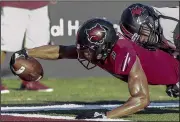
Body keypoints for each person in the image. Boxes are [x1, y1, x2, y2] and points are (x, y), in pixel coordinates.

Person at [10, 18, 179, 119]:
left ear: (104, 47)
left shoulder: (124, 54)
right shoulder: (98, 48)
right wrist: (26, 52)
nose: (83, 54)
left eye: (87, 50)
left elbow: (141, 100)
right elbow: (62, 51)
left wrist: (105, 116)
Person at [1, 1, 53, 94]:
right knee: (5, 43)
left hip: (40, 5)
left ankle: (30, 81)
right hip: (13, 4)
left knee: (37, 45)